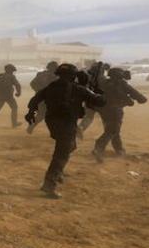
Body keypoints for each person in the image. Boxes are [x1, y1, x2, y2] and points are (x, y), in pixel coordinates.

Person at [25, 63, 105, 198]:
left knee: (70, 146)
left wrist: (31, 112)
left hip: (52, 122)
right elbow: (100, 102)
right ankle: (49, 184)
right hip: (66, 123)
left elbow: (34, 99)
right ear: (73, 76)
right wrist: (96, 89)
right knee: (61, 154)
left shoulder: (51, 86)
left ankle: (58, 173)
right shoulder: (78, 89)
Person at [91, 67, 147, 162]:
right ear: (120, 75)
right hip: (115, 110)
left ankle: (119, 150)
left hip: (103, 110)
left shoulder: (104, 83)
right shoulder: (122, 84)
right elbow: (141, 99)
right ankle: (99, 147)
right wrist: (130, 99)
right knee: (112, 131)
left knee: (113, 130)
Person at [77, 62, 109, 139]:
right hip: (100, 101)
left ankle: (80, 128)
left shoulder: (88, 77)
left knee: (88, 117)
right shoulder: (103, 79)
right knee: (106, 118)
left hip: (90, 100)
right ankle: (108, 134)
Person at [27, 61, 58, 134]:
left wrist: (38, 91)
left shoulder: (41, 74)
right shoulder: (56, 76)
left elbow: (32, 83)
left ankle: (32, 126)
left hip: (41, 98)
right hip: (51, 99)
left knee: (41, 114)